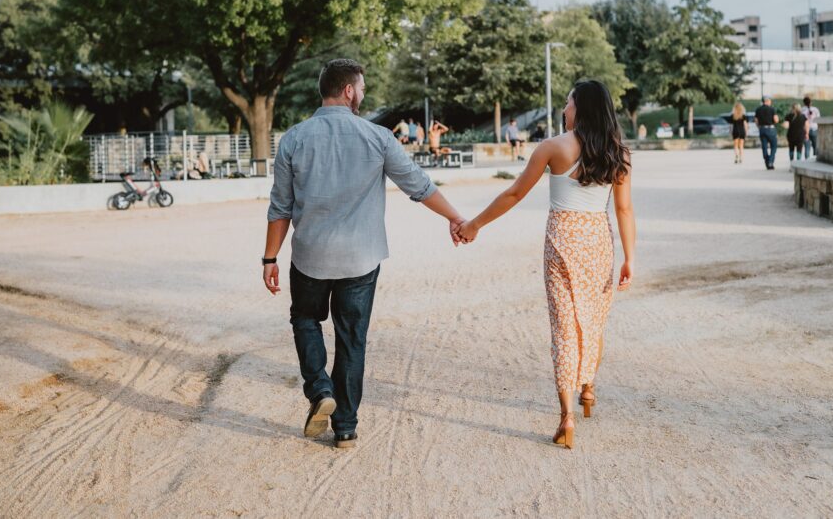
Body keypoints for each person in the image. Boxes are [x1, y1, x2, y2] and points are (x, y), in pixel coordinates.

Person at [263, 59, 468, 450]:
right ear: (349, 91)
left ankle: (320, 388)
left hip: (310, 257)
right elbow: (419, 186)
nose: (364, 93)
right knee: (352, 338)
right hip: (360, 258)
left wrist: (269, 258)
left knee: (305, 319)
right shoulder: (378, 138)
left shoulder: (293, 138)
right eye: (362, 87)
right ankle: (345, 429)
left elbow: (281, 208)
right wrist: (456, 217)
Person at [456, 80, 635, 450]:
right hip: (599, 243)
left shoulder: (553, 147)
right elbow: (623, 208)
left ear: (580, 108)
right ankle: (588, 388)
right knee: (594, 320)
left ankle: (566, 416)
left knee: (564, 327)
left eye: (568, 104)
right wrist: (630, 257)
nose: (564, 110)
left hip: (562, 243)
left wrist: (474, 224)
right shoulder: (619, 152)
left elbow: (514, 193)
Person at [753, 95, 779, 170]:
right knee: (773, 146)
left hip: (762, 129)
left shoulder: (758, 109)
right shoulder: (772, 109)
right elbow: (776, 120)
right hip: (771, 129)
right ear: (767, 101)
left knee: (764, 147)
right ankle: (771, 161)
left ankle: (767, 161)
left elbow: (756, 120)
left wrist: (759, 127)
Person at [785, 103, 808, 169]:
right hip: (800, 135)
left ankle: (792, 165)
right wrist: (807, 134)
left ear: (792, 108)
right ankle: (798, 165)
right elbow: (806, 125)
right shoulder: (803, 116)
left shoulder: (789, 116)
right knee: (799, 150)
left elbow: (786, 125)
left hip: (791, 135)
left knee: (791, 149)